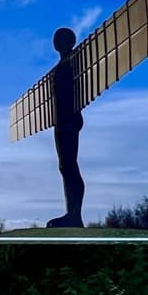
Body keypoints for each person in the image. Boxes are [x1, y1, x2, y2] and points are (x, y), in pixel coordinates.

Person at [47, 27, 85, 228]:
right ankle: (71, 213)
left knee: (70, 165)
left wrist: (75, 115)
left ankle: (75, 215)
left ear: (68, 41)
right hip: (60, 121)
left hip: (69, 119)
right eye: (55, 39)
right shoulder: (61, 65)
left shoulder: (73, 63)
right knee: (65, 166)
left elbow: (75, 91)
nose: (56, 42)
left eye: (60, 38)